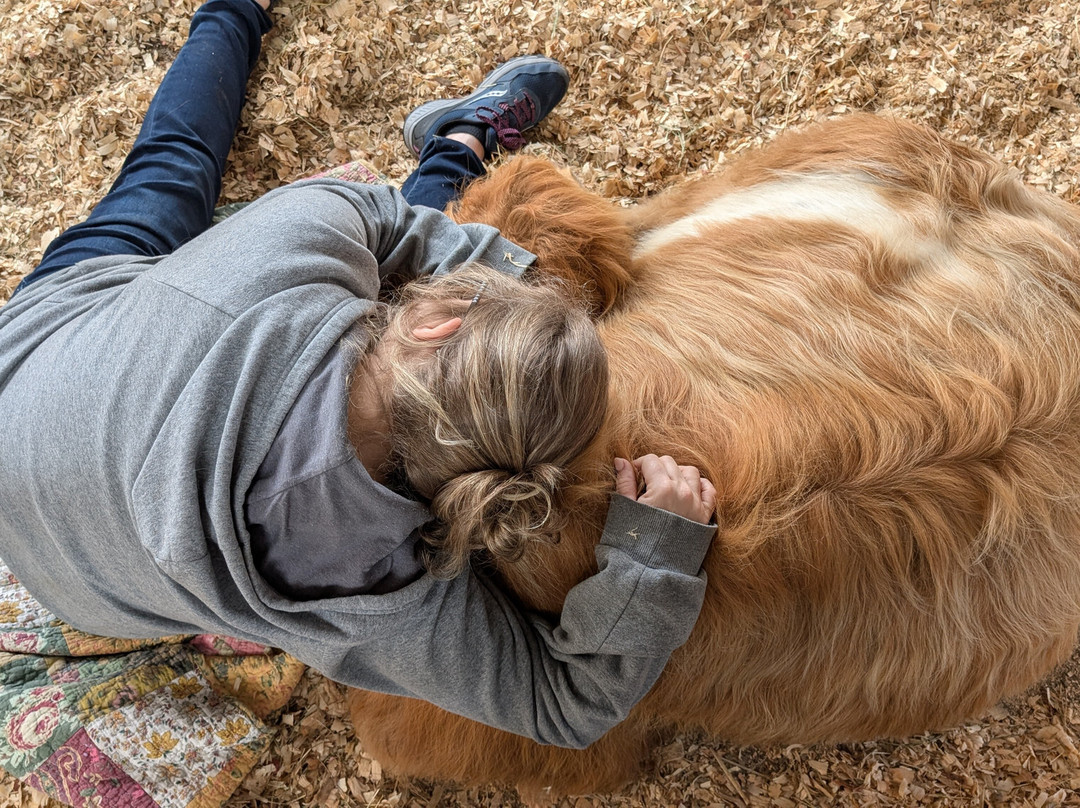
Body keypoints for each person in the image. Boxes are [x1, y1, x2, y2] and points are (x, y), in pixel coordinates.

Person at [0, 0, 717, 749]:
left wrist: (505, 277)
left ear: (439, 320)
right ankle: (459, 137)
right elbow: (565, 708)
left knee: (172, 164)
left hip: (30, 364)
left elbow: (388, 221)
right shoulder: (377, 590)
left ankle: (242, 18)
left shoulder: (299, 238)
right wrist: (654, 549)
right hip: (76, 587)